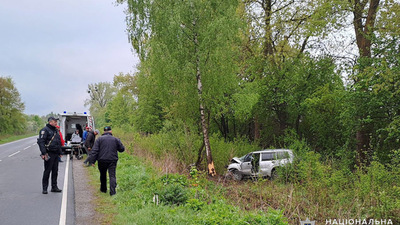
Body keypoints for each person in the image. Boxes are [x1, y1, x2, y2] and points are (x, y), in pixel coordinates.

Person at [89, 126, 125, 196]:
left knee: (103, 175)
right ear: (111, 131)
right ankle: (112, 192)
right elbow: (122, 149)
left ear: (104, 132)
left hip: (102, 160)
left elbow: (95, 151)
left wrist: (92, 161)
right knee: (112, 175)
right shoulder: (116, 139)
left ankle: (103, 189)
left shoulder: (99, 139)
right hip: (112, 160)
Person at [37, 117, 62, 194]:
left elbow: (58, 142)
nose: (56, 123)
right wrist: (44, 153)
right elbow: (41, 142)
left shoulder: (55, 130)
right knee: (47, 171)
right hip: (49, 153)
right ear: (50, 122)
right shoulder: (45, 130)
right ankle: (45, 188)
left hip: (55, 153)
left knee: (55, 171)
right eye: (55, 122)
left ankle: (54, 187)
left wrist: (60, 152)